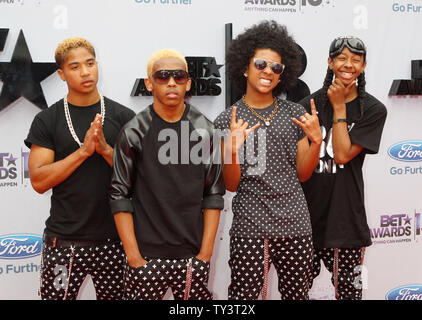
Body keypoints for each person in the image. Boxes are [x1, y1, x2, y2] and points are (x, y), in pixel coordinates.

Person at [214, 20, 322, 300]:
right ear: (244, 66)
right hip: (250, 227)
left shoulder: (294, 112)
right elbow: (231, 185)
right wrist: (232, 150)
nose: (268, 72)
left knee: (297, 296)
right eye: (261, 64)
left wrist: (317, 143)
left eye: (277, 68)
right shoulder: (228, 119)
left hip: (296, 225)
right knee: (244, 299)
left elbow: (303, 174)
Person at [109, 49, 225, 300]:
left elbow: (214, 194)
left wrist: (205, 255)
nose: (171, 82)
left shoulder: (206, 130)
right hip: (146, 257)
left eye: (179, 76)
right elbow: (119, 195)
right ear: (149, 83)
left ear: (188, 83)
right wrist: (133, 257)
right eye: (162, 76)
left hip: (193, 256)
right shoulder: (134, 131)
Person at [24, 37, 135, 300]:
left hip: (115, 242)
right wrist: (83, 152)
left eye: (90, 63)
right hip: (63, 242)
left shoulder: (124, 117)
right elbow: (39, 181)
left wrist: (107, 151)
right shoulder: (47, 120)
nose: (86, 72)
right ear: (61, 74)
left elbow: (140, 177)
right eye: (75, 67)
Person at [298, 36, 387, 300]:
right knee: (295, 293)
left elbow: (342, 155)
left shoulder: (373, 109)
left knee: (351, 295)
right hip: (305, 219)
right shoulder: (308, 105)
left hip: (347, 221)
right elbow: (300, 165)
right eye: (342, 58)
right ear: (330, 62)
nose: (348, 65)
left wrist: (338, 107)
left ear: (364, 66)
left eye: (356, 60)